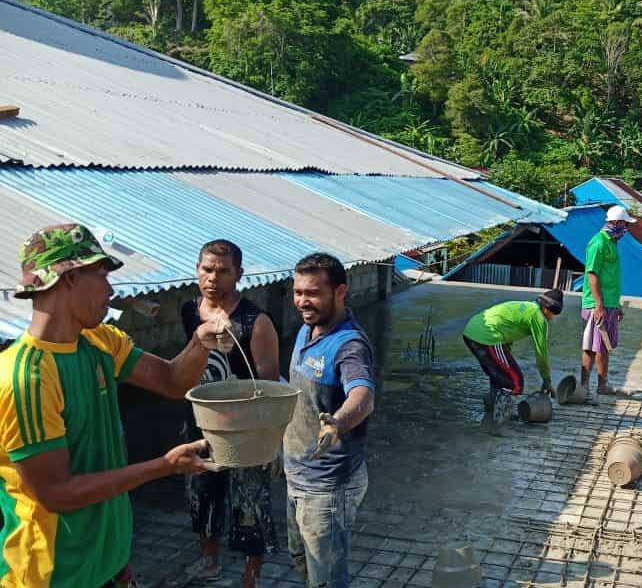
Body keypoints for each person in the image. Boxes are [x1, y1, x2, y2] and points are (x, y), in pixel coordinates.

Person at [0, 224, 228, 587]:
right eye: (102, 274)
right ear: (70, 278)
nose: (110, 290)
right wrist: (164, 466)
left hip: (107, 563)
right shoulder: (27, 377)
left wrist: (201, 343)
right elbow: (56, 493)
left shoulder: (98, 340)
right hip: (55, 574)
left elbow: (171, 380)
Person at [180, 240, 280, 587]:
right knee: (202, 492)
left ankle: (251, 574)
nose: (213, 278)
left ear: (238, 274)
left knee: (250, 500)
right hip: (201, 422)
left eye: (223, 271)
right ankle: (209, 560)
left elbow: (269, 385)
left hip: (246, 430)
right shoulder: (189, 311)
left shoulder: (256, 321)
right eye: (207, 269)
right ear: (197, 270)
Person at [283, 253, 376, 588]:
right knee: (301, 561)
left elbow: (362, 396)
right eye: (298, 292)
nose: (303, 302)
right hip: (297, 474)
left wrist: (336, 423)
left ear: (340, 292)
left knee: (327, 579)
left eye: (313, 293)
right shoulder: (306, 331)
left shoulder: (349, 345)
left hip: (328, 485)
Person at [464, 289, 563, 435]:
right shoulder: (538, 317)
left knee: (499, 375)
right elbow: (541, 352)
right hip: (487, 336)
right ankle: (499, 424)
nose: (552, 318)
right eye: (553, 314)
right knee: (514, 381)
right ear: (547, 309)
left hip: (472, 331)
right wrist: (546, 379)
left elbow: (507, 335)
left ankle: (492, 407)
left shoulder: (527, 307)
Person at [581, 205, 634, 399]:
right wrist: (599, 305)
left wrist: (614, 304)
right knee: (590, 346)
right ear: (617, 223)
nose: (626, 229)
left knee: (604, 346)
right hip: (596, 305)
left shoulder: (612, 242)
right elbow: (592, 274)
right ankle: (583, 387)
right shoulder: (598, 243)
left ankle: (602, 385)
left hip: (609, 304)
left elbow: (609, 276)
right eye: (625, 224)